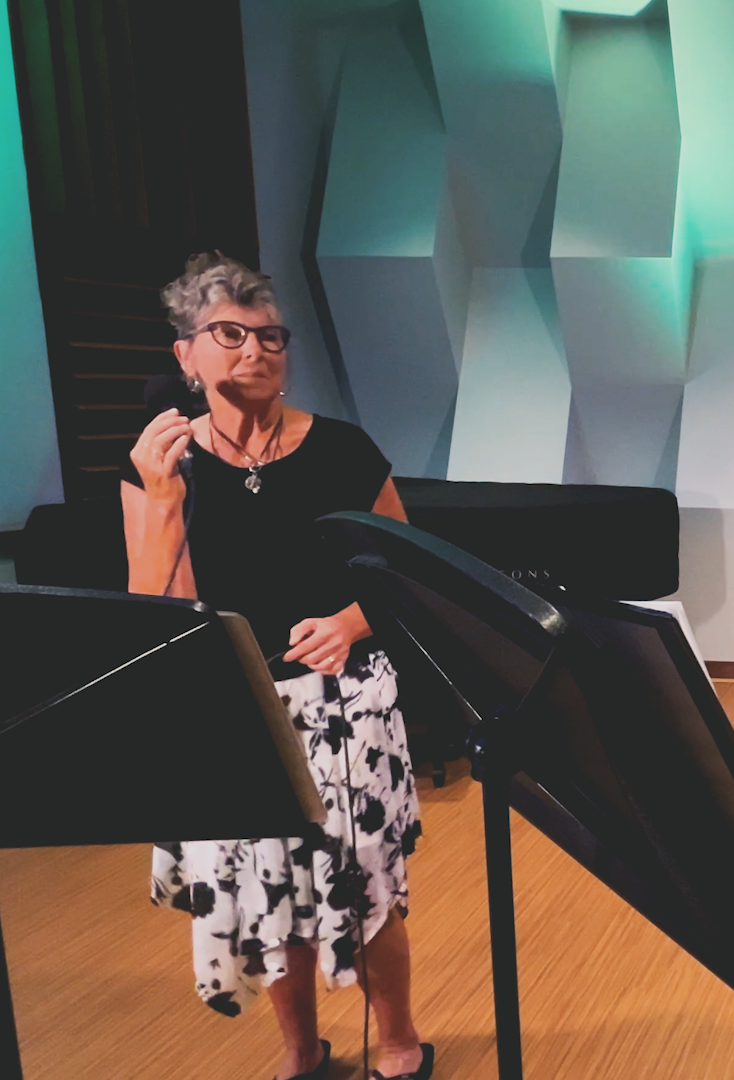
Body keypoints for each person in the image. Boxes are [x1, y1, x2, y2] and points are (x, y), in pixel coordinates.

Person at [122, 253, 435, 1080]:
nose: (255, 350)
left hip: (346, 706)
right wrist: (160, 499)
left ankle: (397, 1040)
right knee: (269, 901)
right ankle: (301, 1051)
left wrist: (353, 620)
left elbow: (409, 574)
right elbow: (154, 612)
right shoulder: (160, 467)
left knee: (366, 891)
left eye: (270, 336)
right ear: (185, 354)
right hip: (234, 713)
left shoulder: (342, 449)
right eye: (229, 333)